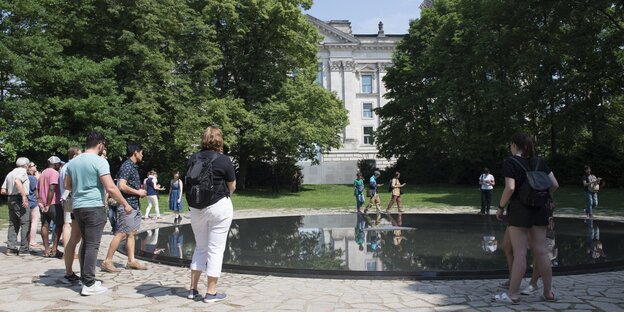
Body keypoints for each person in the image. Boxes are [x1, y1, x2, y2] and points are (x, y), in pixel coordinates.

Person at [492, 132, 559, 304]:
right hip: (540, 210)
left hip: (520, 212)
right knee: (541, 251)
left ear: (514, 145)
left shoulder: (510, 162)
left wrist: (500, 207)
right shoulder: (539, 161)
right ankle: (548, 293)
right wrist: (543, 196)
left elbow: (510, 188)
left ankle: (513, 295)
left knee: (520, 253)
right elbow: (555, 185)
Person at [64, 131, 133, 295]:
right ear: (100, 144)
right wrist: (125, 203)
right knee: (92, 245)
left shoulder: (73, 162)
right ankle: (89, 284)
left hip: (78, 206)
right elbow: (110, 187)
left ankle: (85, 278)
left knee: (86, 243)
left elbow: (67, 185)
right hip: (94, 207)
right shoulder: (100, 161)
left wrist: (81, 189)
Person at [187, 126, 236, 303]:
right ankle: (211, 292)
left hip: (196, 208)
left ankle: (193, 289)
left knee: (200, 247)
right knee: (215, 250)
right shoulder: (223, 160)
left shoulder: (193, 158)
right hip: (218, 206)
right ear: (220, 140)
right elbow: (232, 186)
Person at [101, 143, 149, 272]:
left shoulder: (132, 166)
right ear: (136, 152)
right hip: (127, 205)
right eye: (141, 152)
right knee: (121, 233)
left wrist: (138, 192)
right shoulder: (127, 166)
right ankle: (107, 261)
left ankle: (131, 260)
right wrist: (138, 192)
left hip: (134, 204)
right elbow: (121, 186)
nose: (142, 155)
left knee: (131, 233)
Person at [60, 147, 83, 284]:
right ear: (74, 155)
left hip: (67, 199)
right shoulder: (73, 166)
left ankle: (69, 268)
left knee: (67, 225)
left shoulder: (64, 167)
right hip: (72, 200)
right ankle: (69, 267)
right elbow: (68, 185)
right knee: (69, 229)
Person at [1, 157, 31, 255]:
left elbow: (3, 190)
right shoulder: (22, 171)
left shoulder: (10, 173)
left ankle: (11, 248)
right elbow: (17, 181)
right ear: (26, 165)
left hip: (11, 199)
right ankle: (24, 248)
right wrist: (23, 196)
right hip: (19, 199)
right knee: (25, 222)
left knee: (13, 223)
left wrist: (12, 194)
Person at [38, 156, 64, 258]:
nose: (60, 166)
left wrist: (40, 200)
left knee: (45, 225)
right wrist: (48, 204)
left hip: (43, 204)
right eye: (59, 164)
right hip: (53, 203)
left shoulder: (43, 173)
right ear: (56, 164)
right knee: (59, 224)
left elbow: (37, 188)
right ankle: (54, 249)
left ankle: (46, 250)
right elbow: (52, 188)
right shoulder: (54, 173)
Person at [27, 162, 42, 249]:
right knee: (35, 221)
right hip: (33, 201)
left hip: (28, 201)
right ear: (29, 168)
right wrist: (38, 178)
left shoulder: (26, 177)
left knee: (29, 222)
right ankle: (32, 240)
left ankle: (29, 239)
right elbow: (37, 189)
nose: (35, 166)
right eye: (33, 166)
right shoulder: (32, 178)